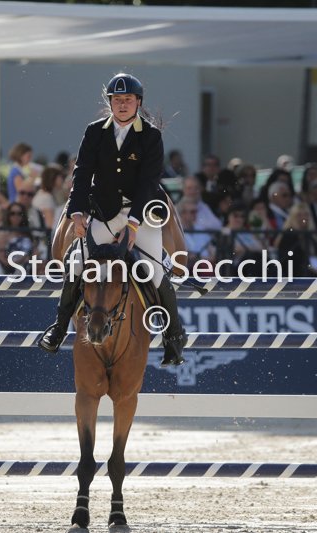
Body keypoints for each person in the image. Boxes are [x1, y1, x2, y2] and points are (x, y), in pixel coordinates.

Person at [38, 73, 187, 367]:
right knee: (76, 263)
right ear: (110, 103)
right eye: (117, 100)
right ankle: (59, 327)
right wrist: (76, 212)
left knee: (156, 272)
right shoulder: (95, 131)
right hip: (104, 214)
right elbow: (82, 173)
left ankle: (173, 337)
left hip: (140, 215)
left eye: (127, 99)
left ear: (138, 102)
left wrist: (133, 225)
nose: (122, 104)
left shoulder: (150, 136)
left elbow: (148, 183)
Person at [0, 202, 37, 274]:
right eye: (12, 213)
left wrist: (28, 259)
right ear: (8, 215)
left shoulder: (28, 232)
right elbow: (1, 257)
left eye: (19, 214)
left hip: (29, 269)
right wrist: (17, 263)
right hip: (10, 270)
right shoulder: (3, 233)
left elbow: (35, 252)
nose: (16, 216)